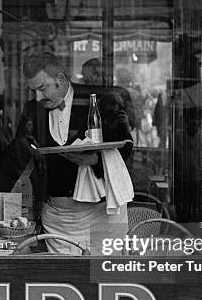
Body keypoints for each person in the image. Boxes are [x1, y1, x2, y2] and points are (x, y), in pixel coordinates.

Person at [20, 52, 132, 255]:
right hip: (59, 219)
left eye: (42, 88)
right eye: (33, 91)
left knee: (103, 278)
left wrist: (96, 159)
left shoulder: (102, 100)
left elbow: (125, 145)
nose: (38, 97)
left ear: (61, 79)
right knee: (64, 279)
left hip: (103, 216)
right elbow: (17, 154)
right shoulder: (32, 110)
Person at [0, 117, 40, 194]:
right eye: (28, 125)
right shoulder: (20, 141)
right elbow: (24, 159)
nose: (31, 128)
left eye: (32, 125)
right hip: (13, 178)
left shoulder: (30, 139)